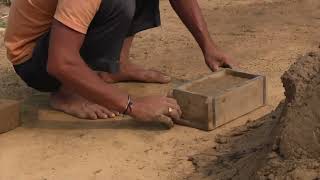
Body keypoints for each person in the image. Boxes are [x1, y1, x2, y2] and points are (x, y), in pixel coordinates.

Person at [5, 0, 237, 123]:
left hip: (60, 38)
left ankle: (118, 64)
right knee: (118, 4)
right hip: (34, 59)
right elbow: (60, 62)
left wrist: (208, 46)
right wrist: (133, 105)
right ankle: (65, 93)